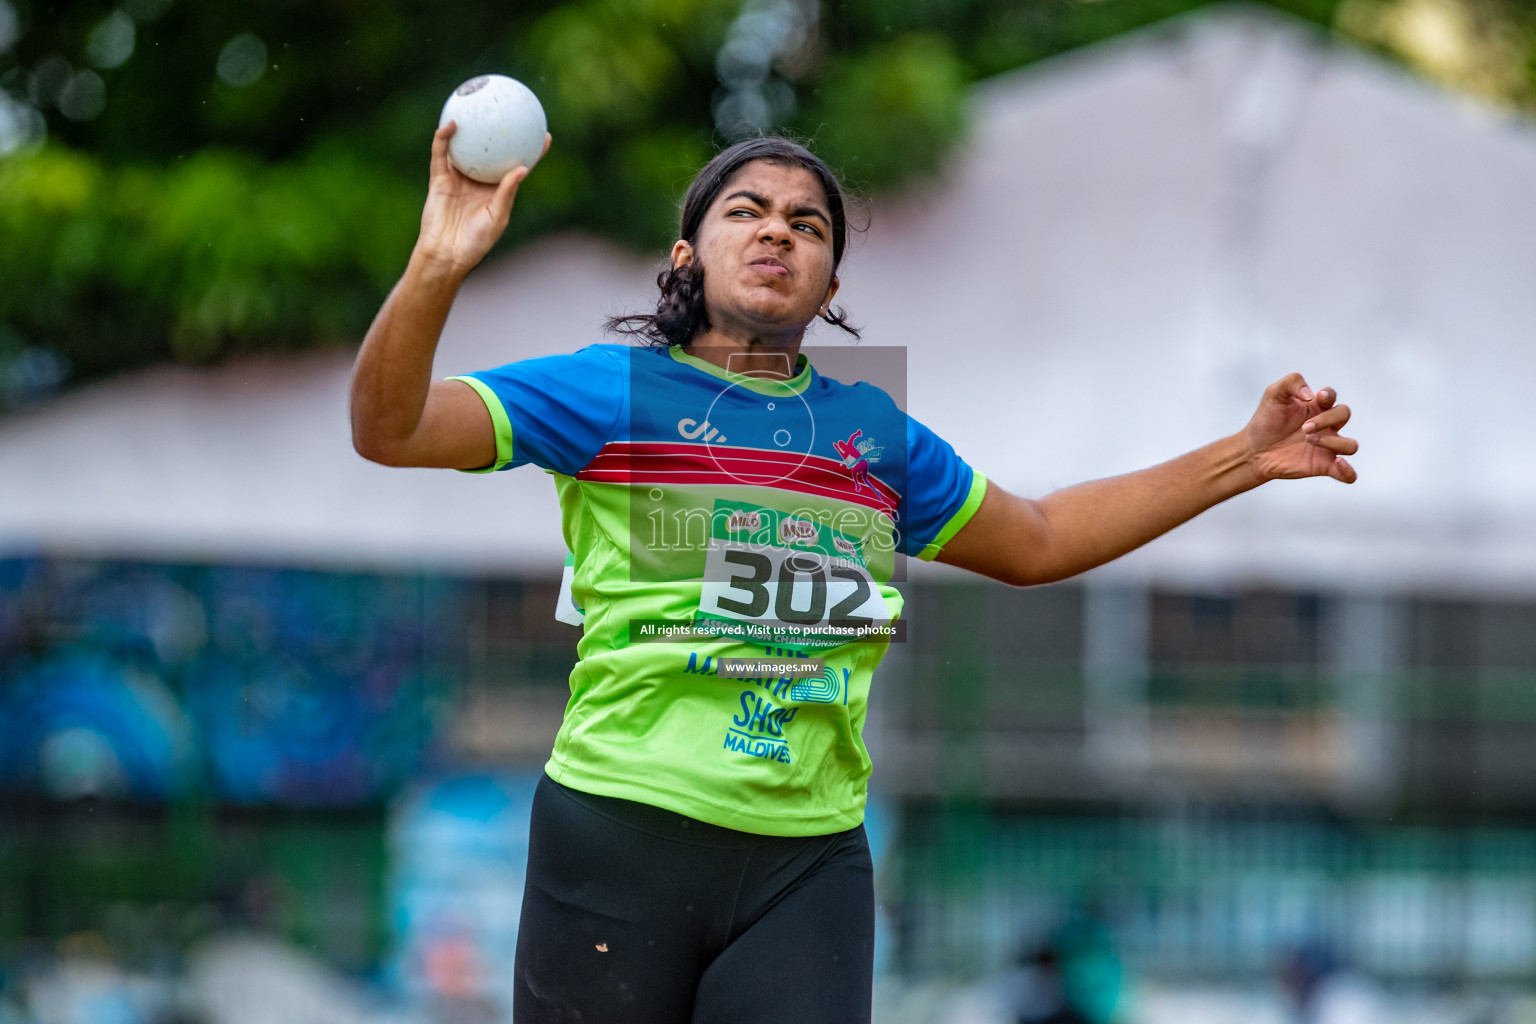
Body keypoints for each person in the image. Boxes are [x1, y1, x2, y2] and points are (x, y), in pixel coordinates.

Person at [350, 126, 1357, 1024]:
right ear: (687, 256)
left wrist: (1247, 457)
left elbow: (1041, 538)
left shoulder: (872, 432)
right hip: (619, 837)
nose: (776, 231)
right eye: (745, 212)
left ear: (830, 286)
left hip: (809, 859)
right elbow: (387, 429)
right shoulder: (608, 390)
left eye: (807, 223)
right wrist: (439, 264)